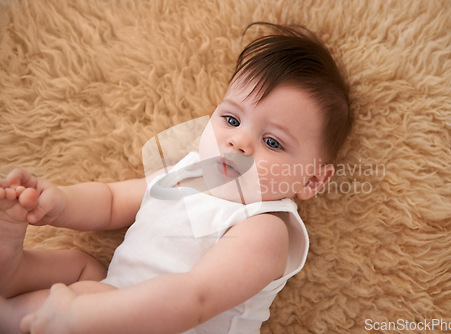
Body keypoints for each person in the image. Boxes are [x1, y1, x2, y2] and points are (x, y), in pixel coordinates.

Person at [0, 23, 352, 333]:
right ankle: (13, 269)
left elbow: (196, 297)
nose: (239, 142)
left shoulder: (265, 227)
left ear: (311, 181)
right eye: (231, 120)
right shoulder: (187, 174)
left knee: (92, 292)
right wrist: (58, 203)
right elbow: (109, 201)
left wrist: (83, 316)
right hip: (115, 291)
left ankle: (11, 316)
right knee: (82, 267)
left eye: (272, 142)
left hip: (167, 321)